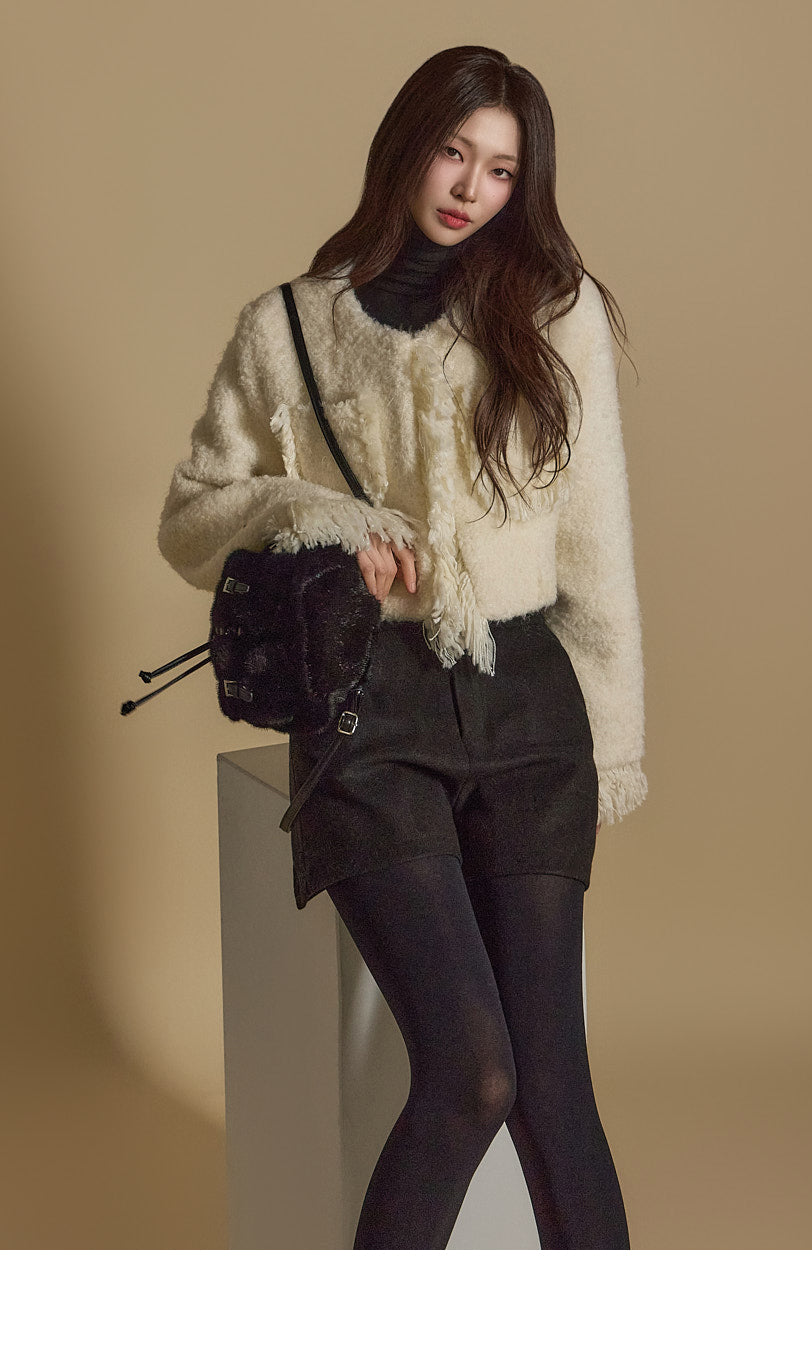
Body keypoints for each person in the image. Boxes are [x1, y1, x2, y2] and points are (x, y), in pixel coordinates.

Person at [157, 45, 648, 1249]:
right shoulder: (287, 328)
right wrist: (321, 516)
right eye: (452, 152)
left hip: (529, 703)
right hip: (370, 707)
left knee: (553, 1092)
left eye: (501, 169)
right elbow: (191, 518)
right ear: (406, 147)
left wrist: (614, 745)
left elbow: (597, 542)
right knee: (473, 1073)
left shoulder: (555, 310)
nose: (471, 188)